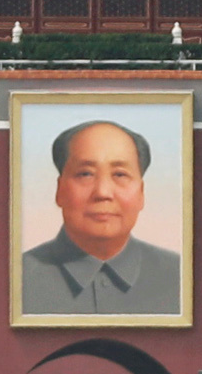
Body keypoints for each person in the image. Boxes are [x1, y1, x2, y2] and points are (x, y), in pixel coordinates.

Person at [20, 118, 184, 317]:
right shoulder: (15, 279)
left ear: (141, 193)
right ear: (60, 190)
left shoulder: (182, 279)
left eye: (120, 175)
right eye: (85, 174)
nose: (103, 192)